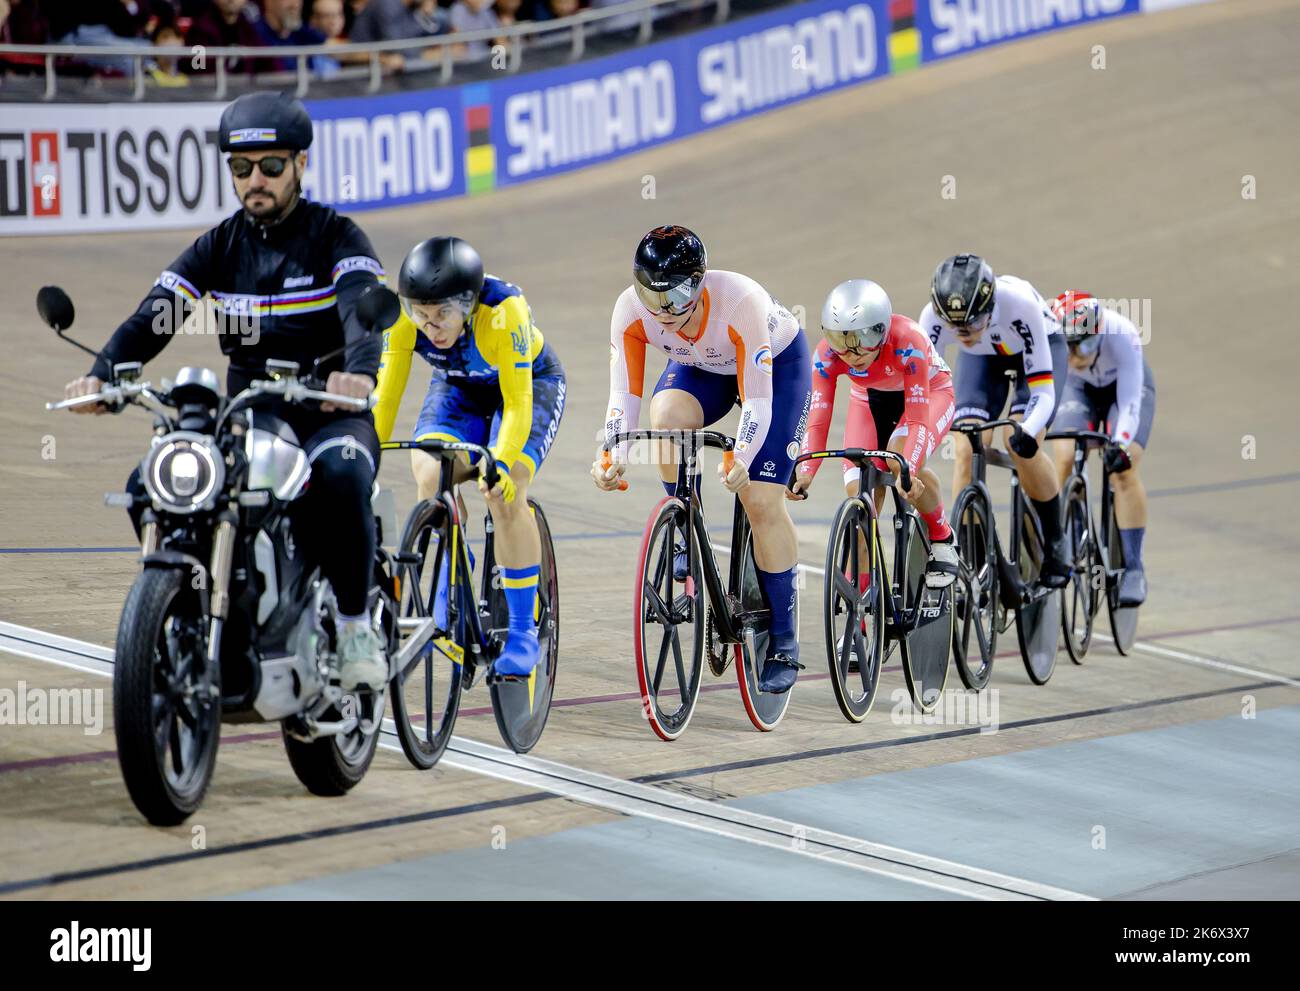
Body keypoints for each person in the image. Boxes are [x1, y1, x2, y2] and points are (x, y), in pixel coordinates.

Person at [60, 92, 389, 692]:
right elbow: (155, 316)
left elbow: (361, 314)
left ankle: (354, 623)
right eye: (241, 169)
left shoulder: (336, 237)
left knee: (341, 479)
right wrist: (105, 372)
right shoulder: (220, 247)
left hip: (328, 412)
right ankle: (195, 603)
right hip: (251, 415)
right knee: (152, 486)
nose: (254, 180)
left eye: (270, 166)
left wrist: (359, 375)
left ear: (300, 165)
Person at [592, 226, 812, 694]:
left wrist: (743, 457)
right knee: (665, 415)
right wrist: (613, 455)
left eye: (673, 299)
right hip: (704, 367)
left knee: (759, 499)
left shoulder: (739, 301)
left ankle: (785, 641)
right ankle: (685, 525)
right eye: (650, 298)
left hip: (776, 367)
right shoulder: (632, 310)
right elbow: (623, 394)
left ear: (698, 282)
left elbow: (757, 402)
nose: (661, 313)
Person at [373, 237, 567, 676]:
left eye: (442, 314)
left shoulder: (504, 312)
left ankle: (521, 631)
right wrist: (364, 455)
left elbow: (517, 405)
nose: (430, 326)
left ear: (469, 303)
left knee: (504, 492)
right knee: (428, 469)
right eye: (420, 315)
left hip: (527, 384)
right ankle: (453, 562)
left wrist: (497, 463)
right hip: (459, 389)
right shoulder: (404, 320)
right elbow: (385, 399)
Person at [794, 280, 958, 586]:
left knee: (900, 459)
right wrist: (805, 471)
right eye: (839, 339)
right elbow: (817, 420)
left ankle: (942, 537)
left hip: (930, 394)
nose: (850, 352)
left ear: (881, 330)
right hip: (869, 397)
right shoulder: (828, 356)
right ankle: (860, 622)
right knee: (860, 503)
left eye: (861, 338)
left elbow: (919, 420)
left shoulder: (908, 341)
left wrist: (907, 470)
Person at [921, 254, 1071, 588]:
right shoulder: (932, 318)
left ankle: (1056, 540)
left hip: (1036, 351)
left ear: (989, 307)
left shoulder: (1019, 305)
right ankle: (969, 557)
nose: (964, 333)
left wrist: (1028, 432)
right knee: (965, 447)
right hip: (982, 362)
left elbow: (1043, 393)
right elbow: (922, 388)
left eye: (972, 324)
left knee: (1018, 445)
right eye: (954, 327)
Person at [1049, 291, 1155, 606]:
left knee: (1123, 468)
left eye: (1086, 344)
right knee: (1064, 455)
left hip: (1122, 391)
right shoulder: (1057, 345)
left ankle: (1134, 566)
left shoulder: (1121, 334)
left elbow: (1131, 404)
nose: (1077, 355)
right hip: (1078, 389)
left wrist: (1120, 444)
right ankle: (1073, 531)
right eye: (1069, 347)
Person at [185, 0, 264, 75]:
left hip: (247, 88)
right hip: (210, 87)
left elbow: (267, 66)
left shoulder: (250, 29)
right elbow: (197, 70)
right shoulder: (200, 30)